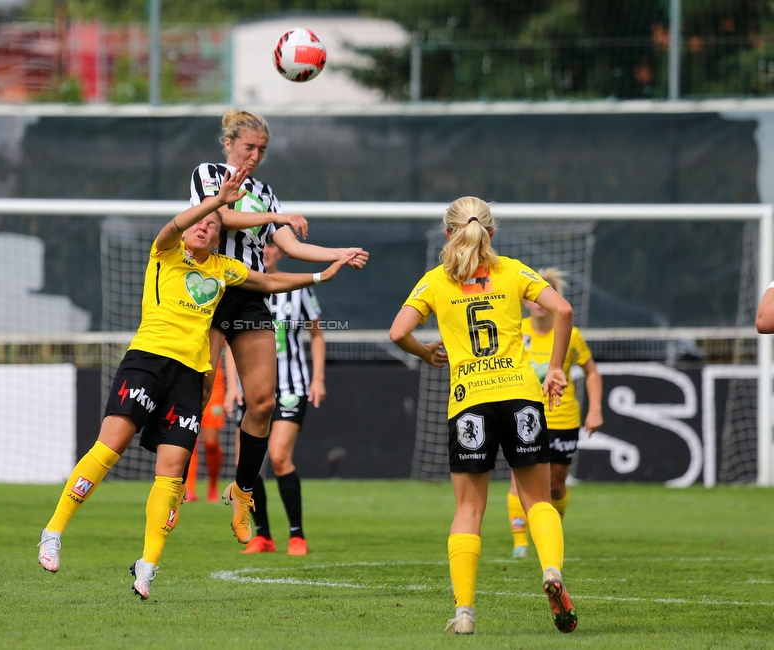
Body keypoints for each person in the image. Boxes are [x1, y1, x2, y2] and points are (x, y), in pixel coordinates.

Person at [36, 167, 355, 600]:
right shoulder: (165, 250)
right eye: (199, 222)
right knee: (110, 446)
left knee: (171, 473)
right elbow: (182, 222)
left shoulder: (224, 268)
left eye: (213, 225)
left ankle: (147, 566)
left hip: (189, 376)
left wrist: (321, 276)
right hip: (147, 364)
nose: (205, 227)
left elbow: (269, 281)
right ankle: (53, 531)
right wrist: (215, 203)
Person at [389, 196, 577, 635]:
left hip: (469, 402)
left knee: (469, 508)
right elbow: (563, 310)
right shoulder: (512, 270)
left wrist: (425, 351)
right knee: (538, 501)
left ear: (446, 233)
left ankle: (465, 613)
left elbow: (398, 331)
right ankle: (551, 571)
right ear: (492, 233)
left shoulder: (435, 281)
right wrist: (554, 369)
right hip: (520, 397)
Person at [189, 108, 368, 545]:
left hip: (251, 293)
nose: (254, 156)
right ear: (229, 143)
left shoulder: (265, 192)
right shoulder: (208, 174)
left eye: (262, 150)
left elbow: (289, 243)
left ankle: (242, 490)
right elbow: (219, 218)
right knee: (198, 388)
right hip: (210, 289)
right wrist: (275, 220)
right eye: (249, 147)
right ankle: (174, 483)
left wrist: (337, 254)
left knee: (264, 402)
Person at [227, 241, 325, 556]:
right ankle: (263, 535)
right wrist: (232, 386)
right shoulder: (240, 287)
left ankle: (297, 535)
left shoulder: (298, 290)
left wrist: (318, 378)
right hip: (252, 390)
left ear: (279, 252)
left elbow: (317, 333)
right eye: (260, 247)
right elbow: (231, 342)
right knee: (248, 465)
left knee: (280, 456)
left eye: (269, 247)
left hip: (291, 387)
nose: (265, 252)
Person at [507, 268, 603, 559]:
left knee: (555, 485)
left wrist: (595, 409)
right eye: (532, 297)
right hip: (525, 416)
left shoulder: (571, 335)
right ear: (525, 301)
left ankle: (552, 532)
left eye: (542, 296)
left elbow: (592, 372)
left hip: (562, 418)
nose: (537, 303)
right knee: (518, 479)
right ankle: (520, 543)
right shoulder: (515, 330)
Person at [184, 350, 227, 502]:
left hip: (215, 386)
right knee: (189, 441)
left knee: (211, 444)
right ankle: (189, 488)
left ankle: (213, 486)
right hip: (189, 381)